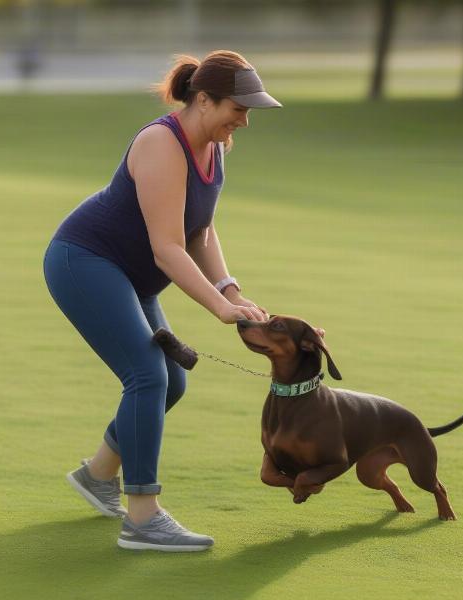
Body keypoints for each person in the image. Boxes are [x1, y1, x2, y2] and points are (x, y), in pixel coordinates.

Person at [42, 50, 283, 552]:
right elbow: (167, 248)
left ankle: (98, 475)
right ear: (202, 99)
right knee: (147, 375)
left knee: (170, 382)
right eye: (238, 108)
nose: (245, 119)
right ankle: (143, 518)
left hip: (133, 277)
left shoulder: (216, 147)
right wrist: (218, 310)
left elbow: (201, 231)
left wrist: (230, 290)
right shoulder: (160, 143)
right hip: (84, 261)